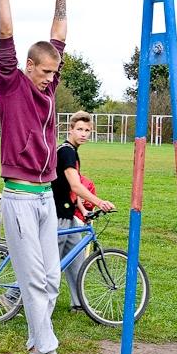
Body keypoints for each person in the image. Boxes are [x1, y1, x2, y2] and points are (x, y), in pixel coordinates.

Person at [0, 0, 81, 354]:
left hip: (46, 196)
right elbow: (6, 34)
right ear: (29, 66)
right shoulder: (11, 84)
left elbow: (59, 36)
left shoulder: (48, 85)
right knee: (32, 280)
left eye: (54, 72)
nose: (52, 79)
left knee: (49, 280)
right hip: (19, 197)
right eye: (46, 72)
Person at [51, 111, 116, 311]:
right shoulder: (67, 152)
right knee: (50, 265)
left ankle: (79, 304)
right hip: (58, 213)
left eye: (88, 130)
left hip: (69, 214)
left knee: (76, 257)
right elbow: (77, 186)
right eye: (80, 129)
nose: (84, 134)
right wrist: (99, 202)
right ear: (70, 129)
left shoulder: (72, 151)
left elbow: (73, 188)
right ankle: (12, 297)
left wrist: (83, 210)